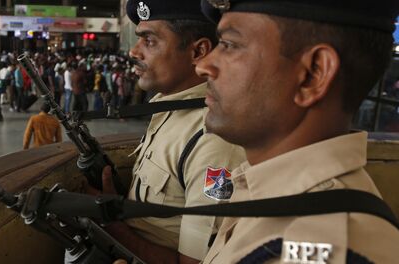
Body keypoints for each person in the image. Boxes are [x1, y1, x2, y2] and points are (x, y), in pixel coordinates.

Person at [192, 0, 399, 263]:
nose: (203, 66)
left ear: (313, 75)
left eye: (230, 45)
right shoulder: (269, 188)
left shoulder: (317, 241)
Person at [86, 1, 247, 263]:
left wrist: (113, 226)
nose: (135, 52)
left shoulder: (214, 140)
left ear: (199, 51)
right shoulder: (169, 107)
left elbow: (194, 262)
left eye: (149, 41)